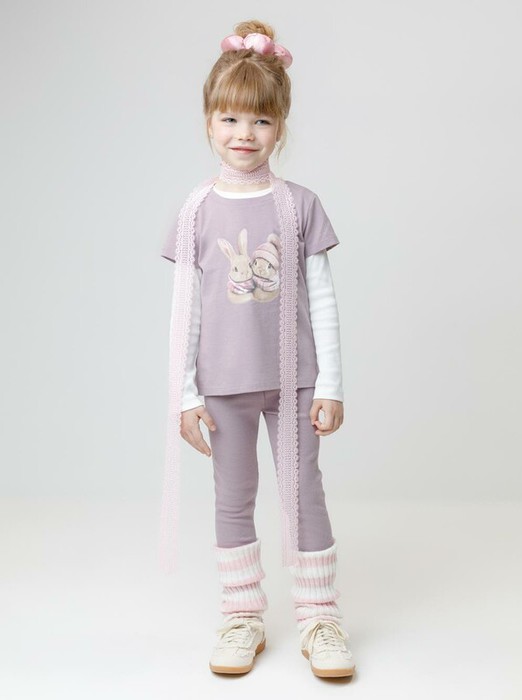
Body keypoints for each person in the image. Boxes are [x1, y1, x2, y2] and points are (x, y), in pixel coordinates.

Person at [160, 19, 356, 679]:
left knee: (303, 493)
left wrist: (329, 384)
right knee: (232, 494)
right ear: (209, 124)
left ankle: (320, 617)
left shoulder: (299, 206)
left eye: (261, 121)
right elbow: (186, 311)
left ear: (281, 126)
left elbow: (322, 299)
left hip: (295, 380)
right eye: (230, 119)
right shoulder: (196, 211)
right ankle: (242, 615)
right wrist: (186, 394)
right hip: (224, 386)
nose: (244, 134)